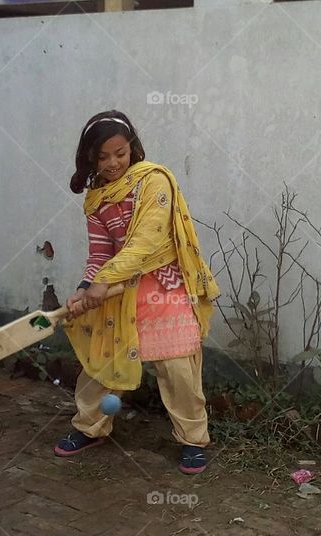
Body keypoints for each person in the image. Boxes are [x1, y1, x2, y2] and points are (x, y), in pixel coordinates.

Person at [54, 111, 221, 474]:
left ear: (133, 150)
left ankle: (193, 440)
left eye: (120, 153)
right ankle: (89, 427)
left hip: (165, 285)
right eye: (102, 156)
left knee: (178, 367)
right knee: (102, 362)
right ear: (90, 158)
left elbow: (147, 241)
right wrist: (84, 289)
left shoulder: (154, 181)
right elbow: (100, 254)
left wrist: (102, 282)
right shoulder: (96, 199)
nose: (113, 163)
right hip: (118, 290)